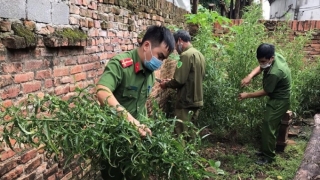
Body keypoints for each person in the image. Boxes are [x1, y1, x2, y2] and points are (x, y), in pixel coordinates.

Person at [96, 25, 175, 179]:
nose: (160, 62)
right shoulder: (121, 65)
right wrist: (131, 121)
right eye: (160, 56)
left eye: (164, 59)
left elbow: (141, 104)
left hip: (137, 143)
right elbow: (102, 90)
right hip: (115, 142)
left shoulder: (150, 73)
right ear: (146, 46)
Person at [238, 43, 291, 165]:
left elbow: (266, 91)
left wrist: (247, 95)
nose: (261, 63)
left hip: (280, 100)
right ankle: (266, 150)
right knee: (270, 125)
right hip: (278, 97)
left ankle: (269, 157)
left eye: (263, 61)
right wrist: (250, 76)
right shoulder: (275, 56)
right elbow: (262, 67)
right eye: (259, 61)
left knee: (269, 126)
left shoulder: (275, 72)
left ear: (271, 58)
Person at [160, 30, 205, 139]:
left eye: (175, 45)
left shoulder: (185, 55)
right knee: (191, 130)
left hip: (186, 100)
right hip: (197, 99)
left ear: (179, 41)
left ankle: (180, 155)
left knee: (180, 132)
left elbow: (179, 81)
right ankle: (191, 154)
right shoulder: (199, 54)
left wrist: (167, 84)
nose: (176, 49)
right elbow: (193, 77)